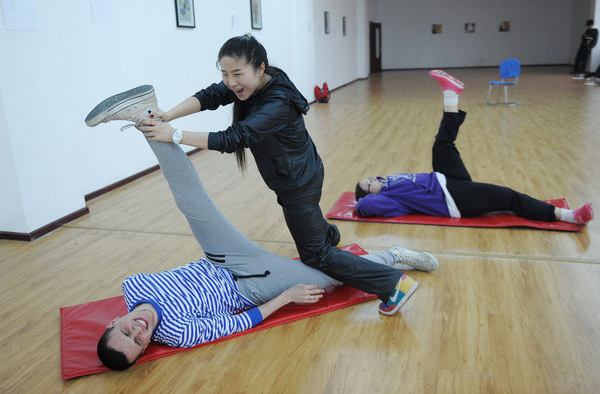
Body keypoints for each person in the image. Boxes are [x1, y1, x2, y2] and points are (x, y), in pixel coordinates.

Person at [86, 87, 440, 371]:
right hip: (250, 283)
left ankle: (146, 116)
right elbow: (238, 324)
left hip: (219, 257)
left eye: (126, 331)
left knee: (192, 203)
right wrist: (285, 298)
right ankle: (394, 256)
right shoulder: (178, 333)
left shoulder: (133, 286)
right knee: (328, 278)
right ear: (146, 347)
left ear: (114, 321)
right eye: (138, 343)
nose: (138, 331)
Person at [111, 34, 421, 316]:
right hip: (298, 176)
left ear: (260, 68)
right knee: (316, 243)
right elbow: (210, 95)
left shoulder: (276, 103)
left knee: (317, 257)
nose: (231, 82)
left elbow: (233, 138)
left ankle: (394, 283)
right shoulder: (256, 83)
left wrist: (173, 135)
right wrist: (168, 115)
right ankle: (330, 239)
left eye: (237, 74)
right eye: (225, 74)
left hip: (298, 182)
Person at [354, 70, 594, 226]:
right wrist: (364, 200)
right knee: (510, 197)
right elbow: (365, 207)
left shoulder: (389, 183)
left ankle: (451, 93)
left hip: (445, 179)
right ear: (371, 193)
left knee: (442, 143)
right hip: (455, 199)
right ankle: (570, 216)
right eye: (369, 183)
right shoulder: (388, 199)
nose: (374, 179)